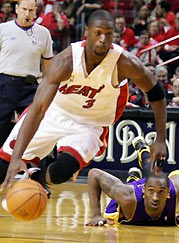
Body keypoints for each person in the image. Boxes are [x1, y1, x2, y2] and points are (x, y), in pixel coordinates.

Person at [0, 10, 167, 196]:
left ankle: (39, 178)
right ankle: (25, 168)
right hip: (55, 112)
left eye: (109, 33)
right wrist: (16, 157)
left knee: (62, 171)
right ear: (86, 32)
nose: (103, 38)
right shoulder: (65, 61)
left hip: (90, 122)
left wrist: (160, 139)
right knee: (4, 166)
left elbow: (157, 93)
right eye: (98, 32)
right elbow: (38, 109)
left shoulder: (124, 63)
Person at [86, 136, 179, 226]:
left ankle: (135, 170)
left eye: (161, 192)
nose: (155, 197)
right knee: (144, 177)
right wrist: (96, 215)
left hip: (148, 187)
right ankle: (140, 157)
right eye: (151, 192)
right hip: (131, 196)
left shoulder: (176, 189)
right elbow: (94, 174)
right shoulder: (126, 197)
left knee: (154, 174)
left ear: (168, 192)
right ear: (143, 190)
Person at [0, 0, 53, 147]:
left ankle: (32, 167)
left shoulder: (44, 33)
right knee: (1, 127)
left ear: (36, 11)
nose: (27, 14)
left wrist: (46, 89)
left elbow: (48, 65)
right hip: (5, 84)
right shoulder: (3, 29)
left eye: (31, 10)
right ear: (16, 9)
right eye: (24, 9)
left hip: (30, 87)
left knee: (35, 127)